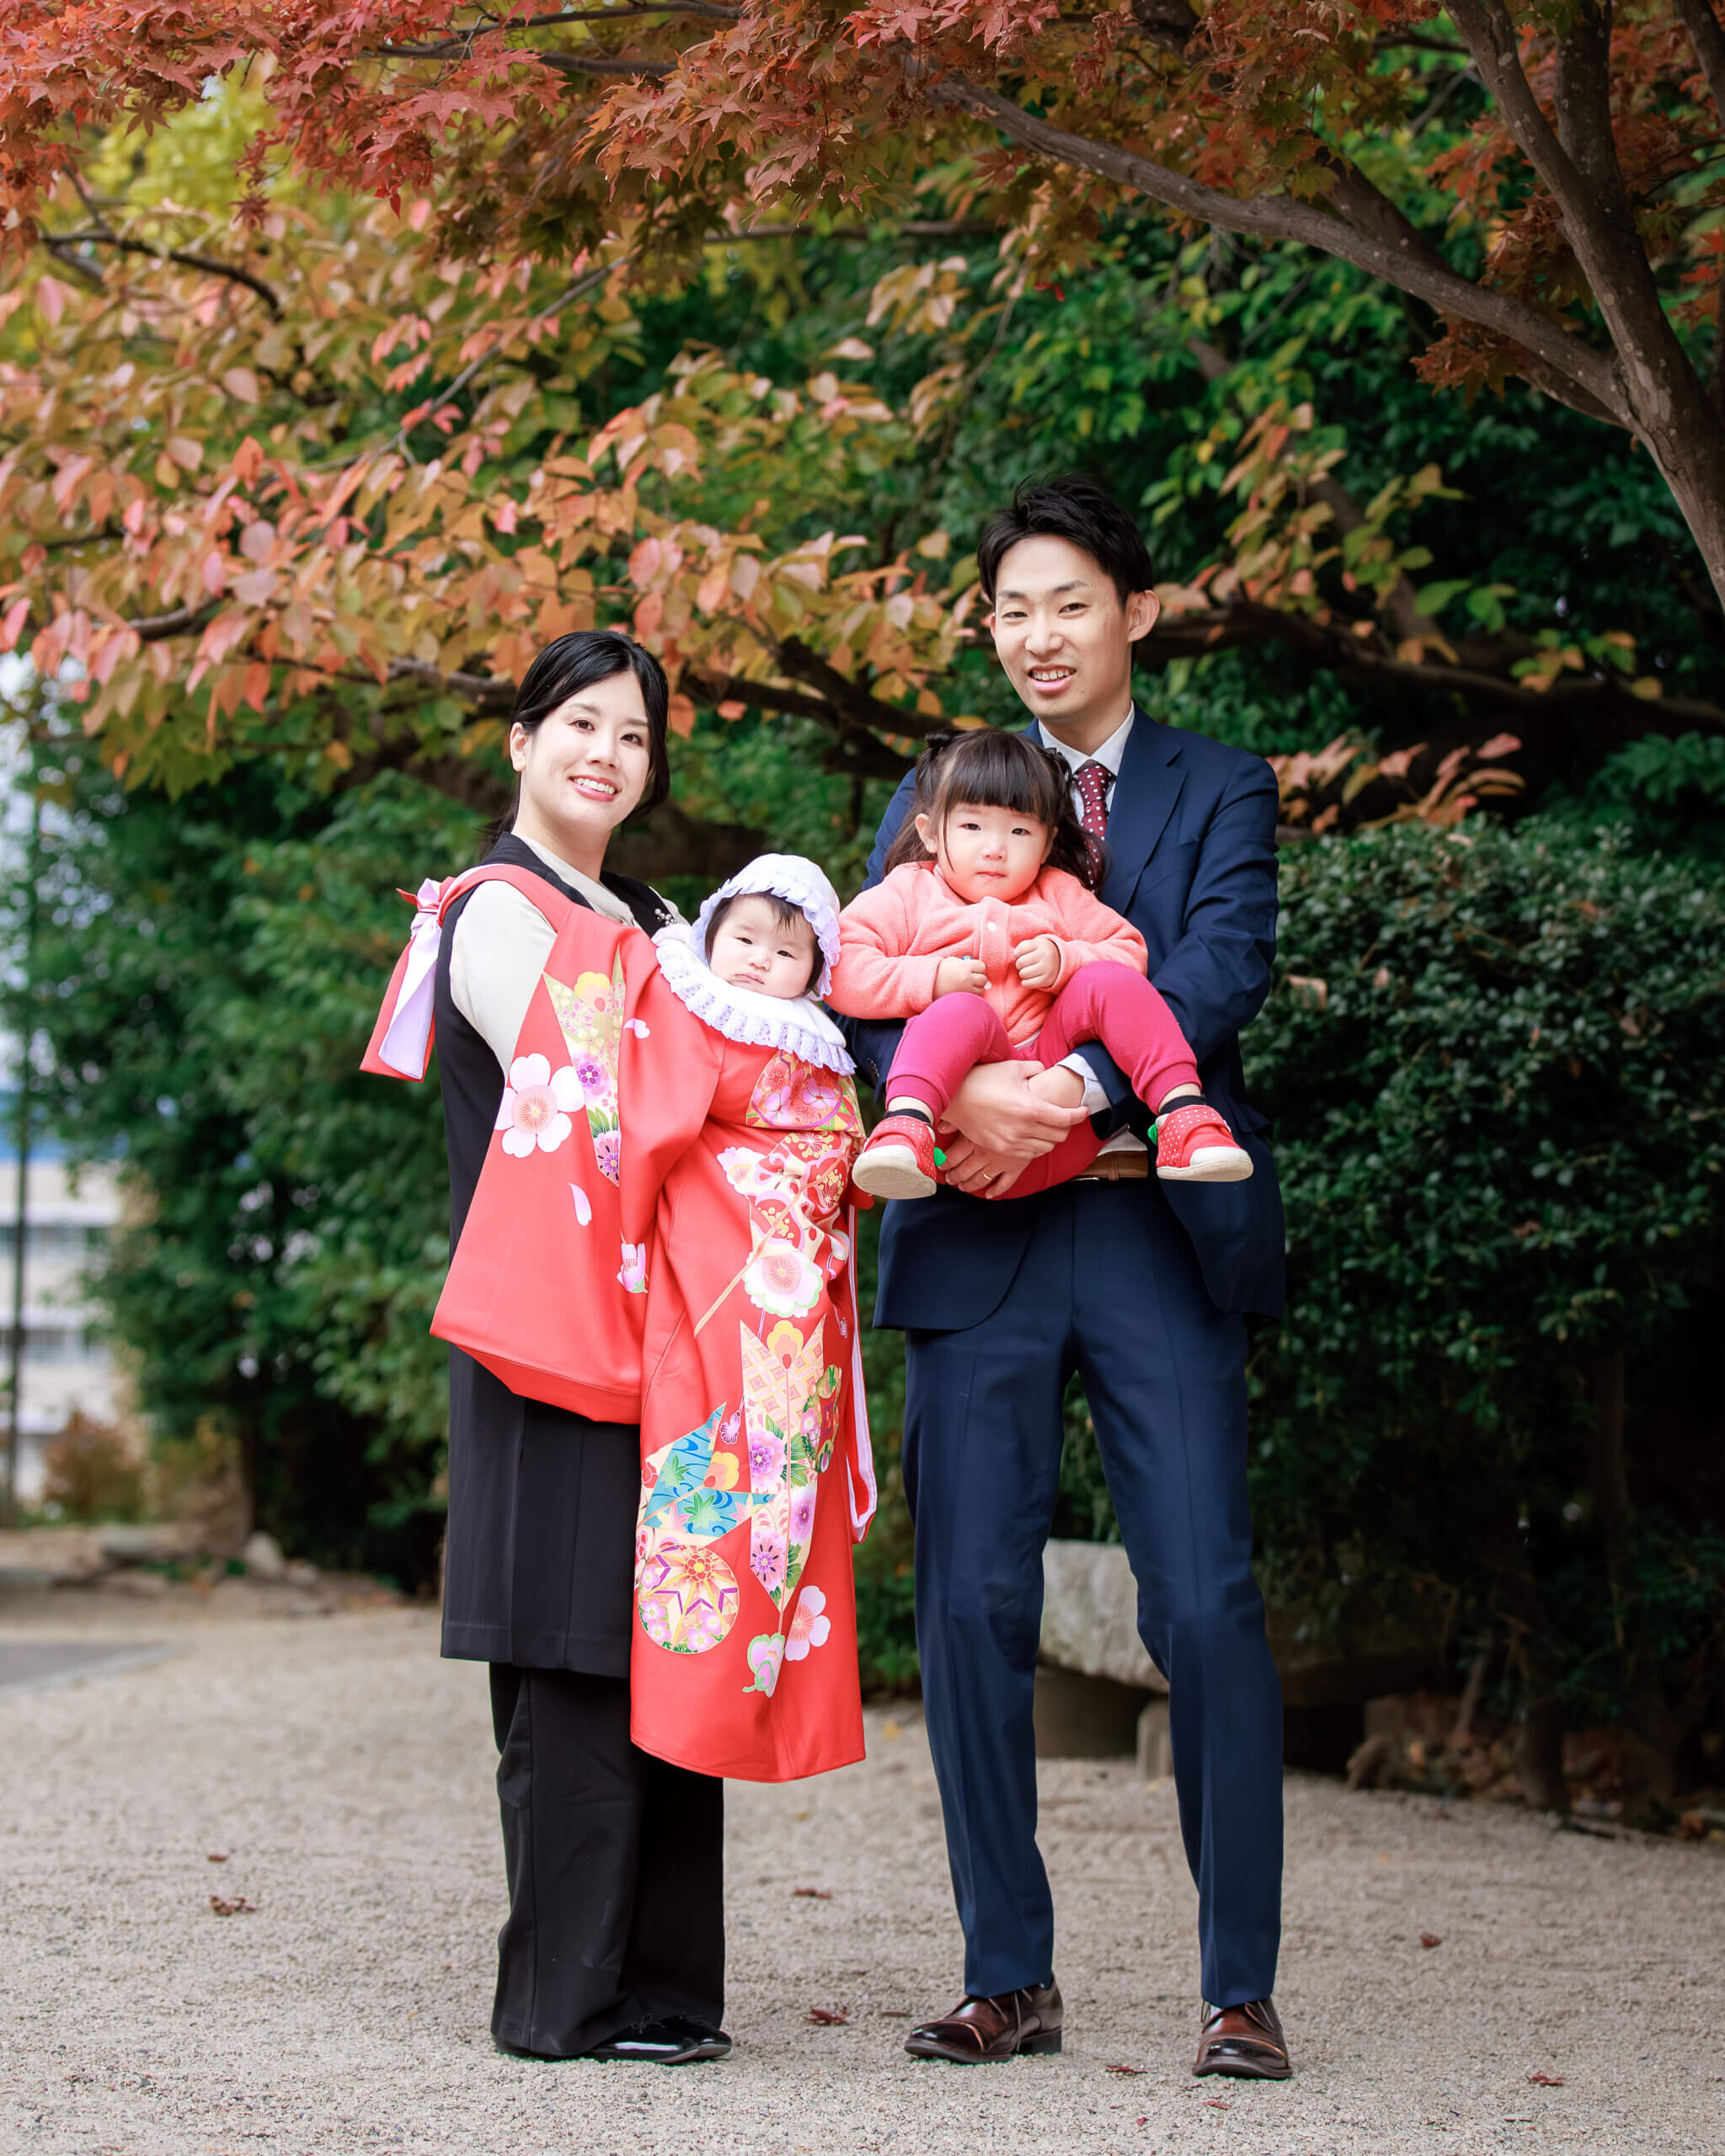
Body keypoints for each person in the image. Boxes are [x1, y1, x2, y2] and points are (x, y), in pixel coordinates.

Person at [837, 476, 1291, 2080]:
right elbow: (862, 978)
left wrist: (1086, 1092)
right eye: (1011, 609)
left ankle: (1236, 1986)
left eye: (1068, 604)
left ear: (1135, 612)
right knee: (969, 1604)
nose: (1037, 636)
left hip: (1154, 1220)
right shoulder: (942, 784)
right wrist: (951, 1094)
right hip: (977, 1231)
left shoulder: (1219, 785)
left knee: (1205, 1600)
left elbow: (1222, 970)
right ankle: (1003, 1972)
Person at [363, 630, 729, 2067]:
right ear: (520, 741)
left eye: (634, 738)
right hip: (545, 1325)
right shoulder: (496, 908)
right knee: (572, 1656)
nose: (607, 755)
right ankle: (565, 2001)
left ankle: (665, 1993)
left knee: (666, 1640)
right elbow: (597, 1083)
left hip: (665, 1319)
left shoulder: (653, 907)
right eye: (581, 723)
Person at [430, 852, 876, 1785]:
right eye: (742, 940)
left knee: (778, 1515)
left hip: (795, 1318)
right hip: (726, 1299)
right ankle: (703, 1711)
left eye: (786, 950)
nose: (757, 962)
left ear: (817, 968)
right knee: (709, 1510)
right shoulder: (698, 1010)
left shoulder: (817, 1046)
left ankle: (729, 1707)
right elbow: (640, 1121)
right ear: (708, 938)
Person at [829, 727, 1252, 1199]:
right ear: (930, 833)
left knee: (1107, 979)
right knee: (959, 1011)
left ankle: (1184, 1117)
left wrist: (1066, 960)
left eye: (1019, 830)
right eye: (972, 827)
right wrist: (928, 980)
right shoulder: (908, 893)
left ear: (1047, 843)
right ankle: (905, 1129)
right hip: (962, 1132)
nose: (995, 847)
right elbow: (841, 968)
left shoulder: (1058, 892)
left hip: (1064, 1126)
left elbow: (1129, 951)